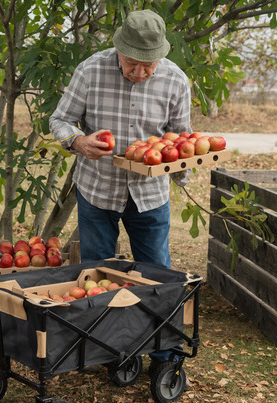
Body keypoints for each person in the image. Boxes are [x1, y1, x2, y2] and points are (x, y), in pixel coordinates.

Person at [49, 9, 190, 368]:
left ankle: (164, 354)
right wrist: (78, 141)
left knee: (157, 275)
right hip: (98, 190)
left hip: (150, 195)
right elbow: (60, 119)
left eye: (149, 65)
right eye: (132, 63)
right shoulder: (91, 70)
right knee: (98, 275)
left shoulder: (175, 80)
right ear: (118, 49)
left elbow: (182, 139)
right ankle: (106, 351)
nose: (140, 72)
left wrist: (180, 168)